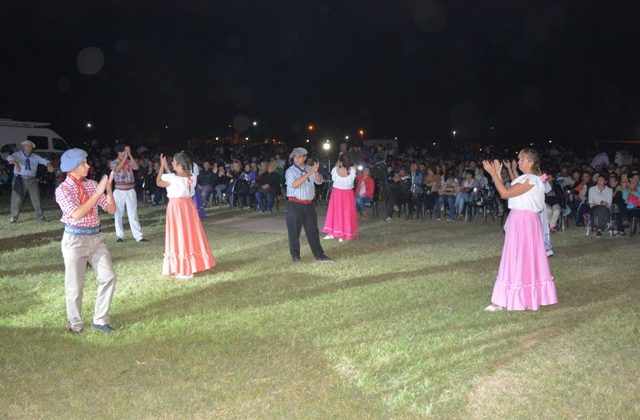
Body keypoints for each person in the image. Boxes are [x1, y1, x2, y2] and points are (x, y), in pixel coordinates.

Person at [482, 149, 558, 312]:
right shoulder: (529, 179)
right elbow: (512, 191)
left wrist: (492, 174)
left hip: (524, 221)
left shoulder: (531, 179)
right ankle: (517, 296)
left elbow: (504, 193)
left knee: (517, 258)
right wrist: (497, 172)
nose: (518, 162)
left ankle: (507, 299)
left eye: (521, 159)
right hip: (523, 221)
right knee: (520, 258)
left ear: (530, 162)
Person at [54, 148, 117, 333]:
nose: (87, 165)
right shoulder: (63, 190)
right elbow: (77, 213)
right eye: (83, 163)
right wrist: (97, 192)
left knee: (109, 277)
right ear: (73, 167)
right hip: (75, 239)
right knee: (75, 286)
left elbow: (111, 209)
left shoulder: (91, 185)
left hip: (96, 238)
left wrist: (108, 189)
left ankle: (100, 320)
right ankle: (76, 325)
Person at [156, 152, 216, 279]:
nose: (171, 164)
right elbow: (175, 177)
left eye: (173, 162)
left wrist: (162, 166)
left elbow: (159, 182)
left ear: (178, 165)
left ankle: (184, 268)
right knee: (189, 234)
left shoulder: (172, 179)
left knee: (179, 235)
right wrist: (167, 167)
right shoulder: (192, 177)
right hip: (188, 207)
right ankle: (194, 263)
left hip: (176, 208)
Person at [285, 147, 333, 263]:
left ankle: (320, 255)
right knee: (294, 233)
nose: (296, 159)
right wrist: (309, 173)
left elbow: (319, 181)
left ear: (305, 157)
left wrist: (315, 172)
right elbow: (295, 184)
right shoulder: (290, 171)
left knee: (313, 232)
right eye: (295, 157)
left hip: (309, 205)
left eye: (299, 156)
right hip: (294, 205)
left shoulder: (310, 168)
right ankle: (295, 257)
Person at [6, 140, 54, 223]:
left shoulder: (35, 157)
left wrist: (48, 165)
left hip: (32, 180)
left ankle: (41, 218)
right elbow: (9, 158)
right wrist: (15, 163)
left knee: (36, 199)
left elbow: (45, 161)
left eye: (31, 146)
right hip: (19, 179)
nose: (29, 147)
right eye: (27, 146)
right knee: (16, 199)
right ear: (23, 147)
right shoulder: (18, 155)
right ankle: (13, 218)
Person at [109, 144, 147, 242]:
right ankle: (120, 236)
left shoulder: (129, 161)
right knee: (118, 214)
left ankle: (138, 236)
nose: (125, 153)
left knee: (133, 214)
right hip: (119, 191)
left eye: (127, 151)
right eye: (124, 151)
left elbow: (136, 167)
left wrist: (129, 156)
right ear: (119, 152)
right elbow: (117, 169)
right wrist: (125, 158)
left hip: (130, 190)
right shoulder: (114, 162)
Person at [323, 153, 359, 241]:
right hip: (347, 194)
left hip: (337, 193)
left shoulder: (335, 170)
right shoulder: (353, 170)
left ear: (340, 161)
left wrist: (338, 161)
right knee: (346, 213)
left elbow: (335, 170)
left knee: (335, 213)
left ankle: (335, 233)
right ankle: (342, 233)